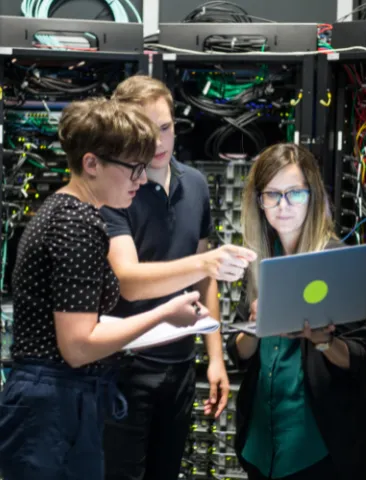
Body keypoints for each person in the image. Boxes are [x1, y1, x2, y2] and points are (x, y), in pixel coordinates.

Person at [0, 98, 210, 480]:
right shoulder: (75, 225)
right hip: (53, 406)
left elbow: (86, 329)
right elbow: (79, 347)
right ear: (91, 164)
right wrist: (164, 313)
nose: (142, 180)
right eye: (133, 169)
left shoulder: (73, 214)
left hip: (58, 402)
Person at [100, 75, 257, 480]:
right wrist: (203, 265)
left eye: (165, 128)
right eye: (146, 130)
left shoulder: (196, 185)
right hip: (126, 369)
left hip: (182, 365)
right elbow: (129, 280)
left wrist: (216, 357)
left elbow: (203, 280)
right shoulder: (116, 190)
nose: (157, 142)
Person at [227, 143, 366, 480]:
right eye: (272, 195)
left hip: (315, 448)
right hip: (261, 445)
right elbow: (239, 353)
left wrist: (324, 341)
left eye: (294, 193)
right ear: (259, 201)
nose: (283, 206)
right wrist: (254, 327)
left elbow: (360, 357)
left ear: (312, 196)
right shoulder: (259, 258)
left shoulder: (335, 259)